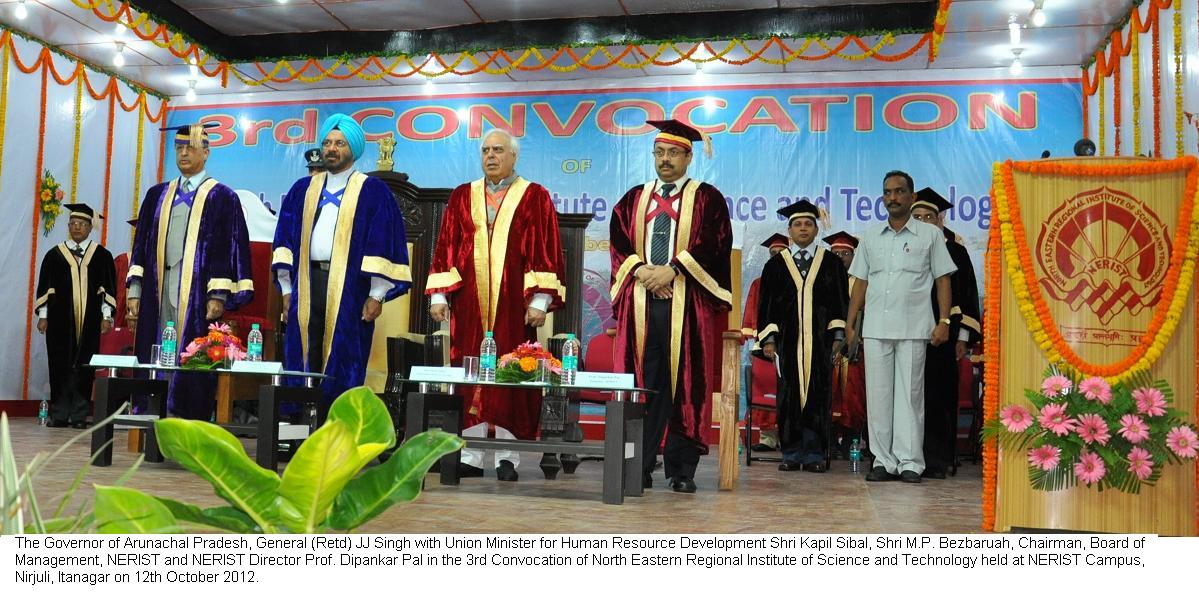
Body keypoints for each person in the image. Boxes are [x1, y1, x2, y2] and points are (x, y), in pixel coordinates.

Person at [427, 129, 565, 482]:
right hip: (470, 301)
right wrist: (441, 295)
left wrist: (539, 300)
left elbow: (545, 248)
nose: (491, 156)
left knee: (513, 373)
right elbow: (446, 244)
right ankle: (471, 455)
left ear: (514, 156)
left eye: (498, 150)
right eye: (486, 150)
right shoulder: (463, 195)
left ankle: (508, 457)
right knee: (470, 370)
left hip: (513, 304)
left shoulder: (534, 196)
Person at [610, 119, 732, 493]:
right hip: (641, 303)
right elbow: (618, 241)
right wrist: (644, 271)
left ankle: (682, 470)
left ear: (688, 157)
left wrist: (672, 270)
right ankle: (639, 465)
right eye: (660, 153)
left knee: (685, 386)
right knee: (643, 385)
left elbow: (715, 243)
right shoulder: (634, 197)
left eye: (673, 153)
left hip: (686, 304)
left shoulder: (707, 198)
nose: (665, 160)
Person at [273, 114, 411, 406]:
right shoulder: (303, 189)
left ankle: (338, 425)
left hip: (352, 289)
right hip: (307, 284)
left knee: (345, 354)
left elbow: (383, 242)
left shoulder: (372, 191)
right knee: (302, 354)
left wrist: (377, 295)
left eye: (339, 143)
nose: (331, 149)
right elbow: (284, 239)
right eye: (327, 143)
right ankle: (299, 427)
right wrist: (286, 289)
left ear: (354, 149)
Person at [126, 123, 254, 420]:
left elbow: (227, 248)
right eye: (179, 148)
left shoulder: (222, 196)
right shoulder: (157, 195)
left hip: (198, 292)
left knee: (193, 353)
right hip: (159, 286)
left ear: (206, 153)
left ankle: (188, 416)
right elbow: (141, 244)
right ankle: (151, 413)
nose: (184, 153)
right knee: (155, 348)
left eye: (191, 148)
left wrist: (218, 295)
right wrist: (134, 289)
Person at [844, 170, 956, 484]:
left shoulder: (930, 235)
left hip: (914, 327)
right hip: (876, 328)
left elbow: (942, 279)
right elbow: (861, 283)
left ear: (911, 195)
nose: (892, 197)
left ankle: (910, 463)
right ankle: (883, 461)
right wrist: (851, 324)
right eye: (887, 192)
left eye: (899, 191)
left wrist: (944, 321)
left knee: (910, 397)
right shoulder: (869, 236)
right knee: (878, 398)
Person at [753, 201, 848, 472]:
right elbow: (767, 305)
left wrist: (838, 337)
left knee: (819, 395)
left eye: (808, 224)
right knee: (789, 396)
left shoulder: (830, 262)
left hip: (821, 343)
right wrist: (769, 340)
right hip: (787, 342)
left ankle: (815, 453)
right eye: (798, 224)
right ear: (789, 230)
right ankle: (792, 453)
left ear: (816, 229)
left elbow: (840, 301)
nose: (803, 228)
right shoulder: (775, 266)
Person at [910, 188, 981, 478]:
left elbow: (966, 297)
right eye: (918, 217)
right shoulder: (906, 248)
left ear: (941, 220)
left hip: (944, 335)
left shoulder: (956, 252)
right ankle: (909, 456)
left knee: (938, 396)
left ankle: (937, 459)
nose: (924, 221)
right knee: (910, 397)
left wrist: (962, 339)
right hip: (909, 333)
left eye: (930, 216)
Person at [34, 204, 116, 428]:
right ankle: (59, 414)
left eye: (82, 224)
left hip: (90, 321)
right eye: (73, 224)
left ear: (91, 228)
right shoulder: (54, 255)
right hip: (60, 321)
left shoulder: (101, 255)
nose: (77, 227)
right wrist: (43, 316)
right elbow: (45, 289)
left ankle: (80, 416)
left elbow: (107, 289)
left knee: (85, 366)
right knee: (58, 365)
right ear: (68, 226)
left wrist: (106, 316)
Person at [742, 232, 789, 451]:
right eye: (773, 253)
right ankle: (768, 438)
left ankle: (790, 437)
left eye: (781, 252)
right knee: (765, 391)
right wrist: (754, 339)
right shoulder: (759, 283)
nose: (777, 256)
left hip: (791, 346)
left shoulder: (796, 281)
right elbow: (752, 310)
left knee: (790, 391)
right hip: (764, 347)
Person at [824, 230, 868, 454]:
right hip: (828, 347)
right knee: (828, 393)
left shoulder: (862, 283)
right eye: (835, 253)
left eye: (845, 253)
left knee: (853, 396)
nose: (840, 257)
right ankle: (829, 441)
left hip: (855, 350)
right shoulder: (824, 280)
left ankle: (851, 440)